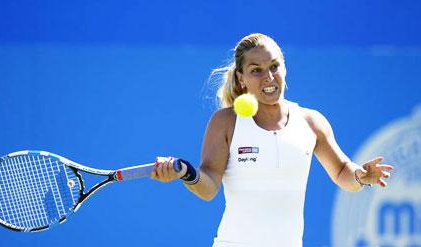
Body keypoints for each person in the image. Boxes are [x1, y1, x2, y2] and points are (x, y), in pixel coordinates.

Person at [150, 33, 394, 247]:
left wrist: (361, 176)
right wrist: (185, 172)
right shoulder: (225, 121)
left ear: (285, 68)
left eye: (274, 66)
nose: (268, 77)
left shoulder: (312, 122)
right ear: (241, 78)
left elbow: (343, 172)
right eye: (256, 70)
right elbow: (208, 186)